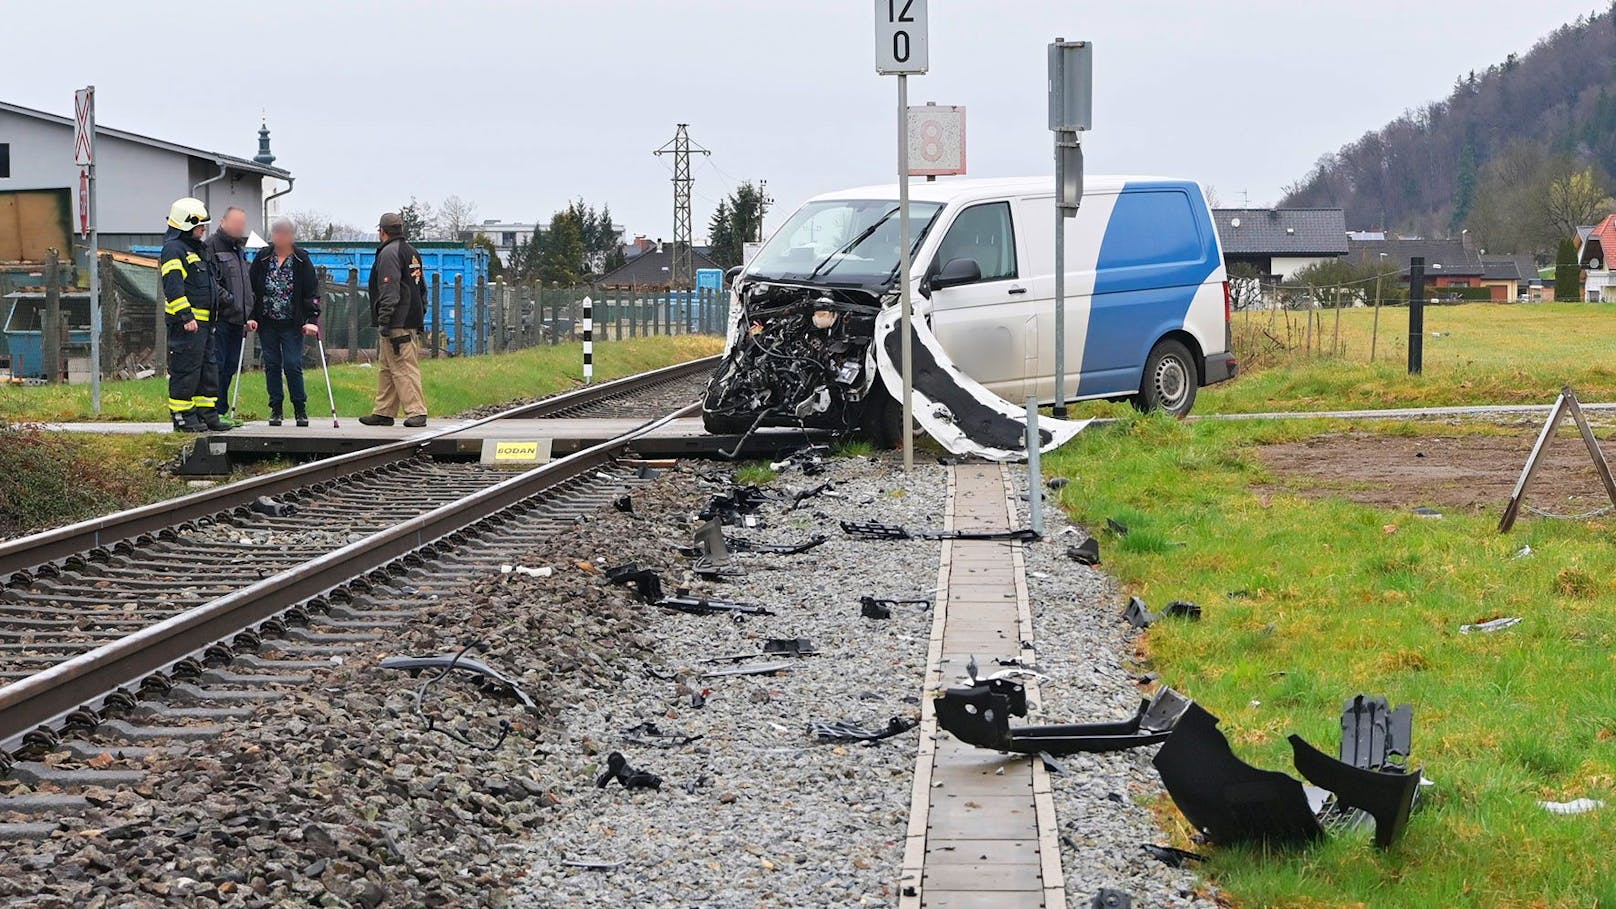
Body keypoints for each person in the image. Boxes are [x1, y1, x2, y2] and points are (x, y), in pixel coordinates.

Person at [159, 198, 230, 433]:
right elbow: (173, 286)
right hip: (187, 324)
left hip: (205, 323)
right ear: (186, 224)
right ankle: (183, 417)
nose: (204, 230)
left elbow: (207, 285)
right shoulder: (173, 250)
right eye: (201, 225)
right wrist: (186, 316)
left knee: (207, 369)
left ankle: (206, 414)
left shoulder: (197, 250)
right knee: (186, 370)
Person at [248, 218, 322, 426]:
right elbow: (252, 290)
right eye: (277, 233)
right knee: (271, 365)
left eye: (285, 233)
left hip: (292, 323)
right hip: (268, 321)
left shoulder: (301, 260)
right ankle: (276, 409)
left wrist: (312, 319)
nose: (281, 237)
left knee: (292, 364)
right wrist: (251, 316)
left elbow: (311, 293)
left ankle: (300, 408)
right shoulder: (262, 258)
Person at [359, 212, 428, 427]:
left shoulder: (389, 253)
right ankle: (384, 411)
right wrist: (420, 313)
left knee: (403, 366)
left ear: (382, 231)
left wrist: (385, 319)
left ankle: (417, 411)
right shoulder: (411, 252)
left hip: (397, 320)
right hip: (409, 317)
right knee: (387, 367)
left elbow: (389, 289)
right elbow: (422, 288)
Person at [204, 207, 255, 426]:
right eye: (235, 223)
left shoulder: (239, 249)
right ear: (223, 221)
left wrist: (247, 310)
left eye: (242, 224)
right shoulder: (211, 247)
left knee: (231, 366)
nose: (239, 227)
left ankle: (222, 410)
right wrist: (231, 300)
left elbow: (245, 283)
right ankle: (214, 410)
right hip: (221, 318)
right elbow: (211, 283)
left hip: (238, 320)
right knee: (218, 365)